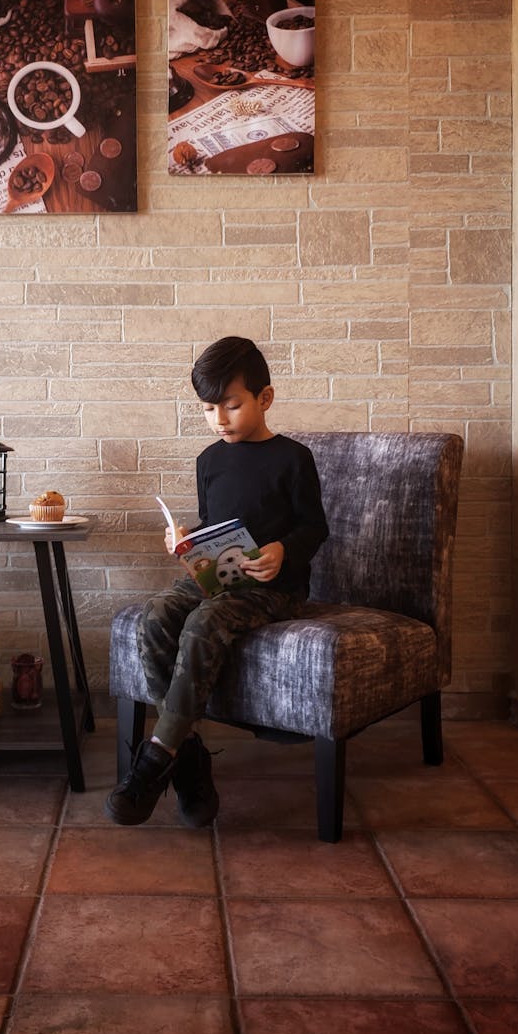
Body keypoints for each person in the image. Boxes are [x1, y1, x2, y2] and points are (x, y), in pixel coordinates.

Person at [105, 335, 329, 828]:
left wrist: (281, 551)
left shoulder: (293, 459)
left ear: (264, 399)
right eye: (208, 409)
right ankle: (189, 758)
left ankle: (159, 753)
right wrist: (186, 538)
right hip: (216, 577)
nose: (219, 420)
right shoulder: (209, 460)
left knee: (206, 620)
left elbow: (315, 527)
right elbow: (215, 524)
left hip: (273, 588)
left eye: (230, 406)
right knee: (158, 613)